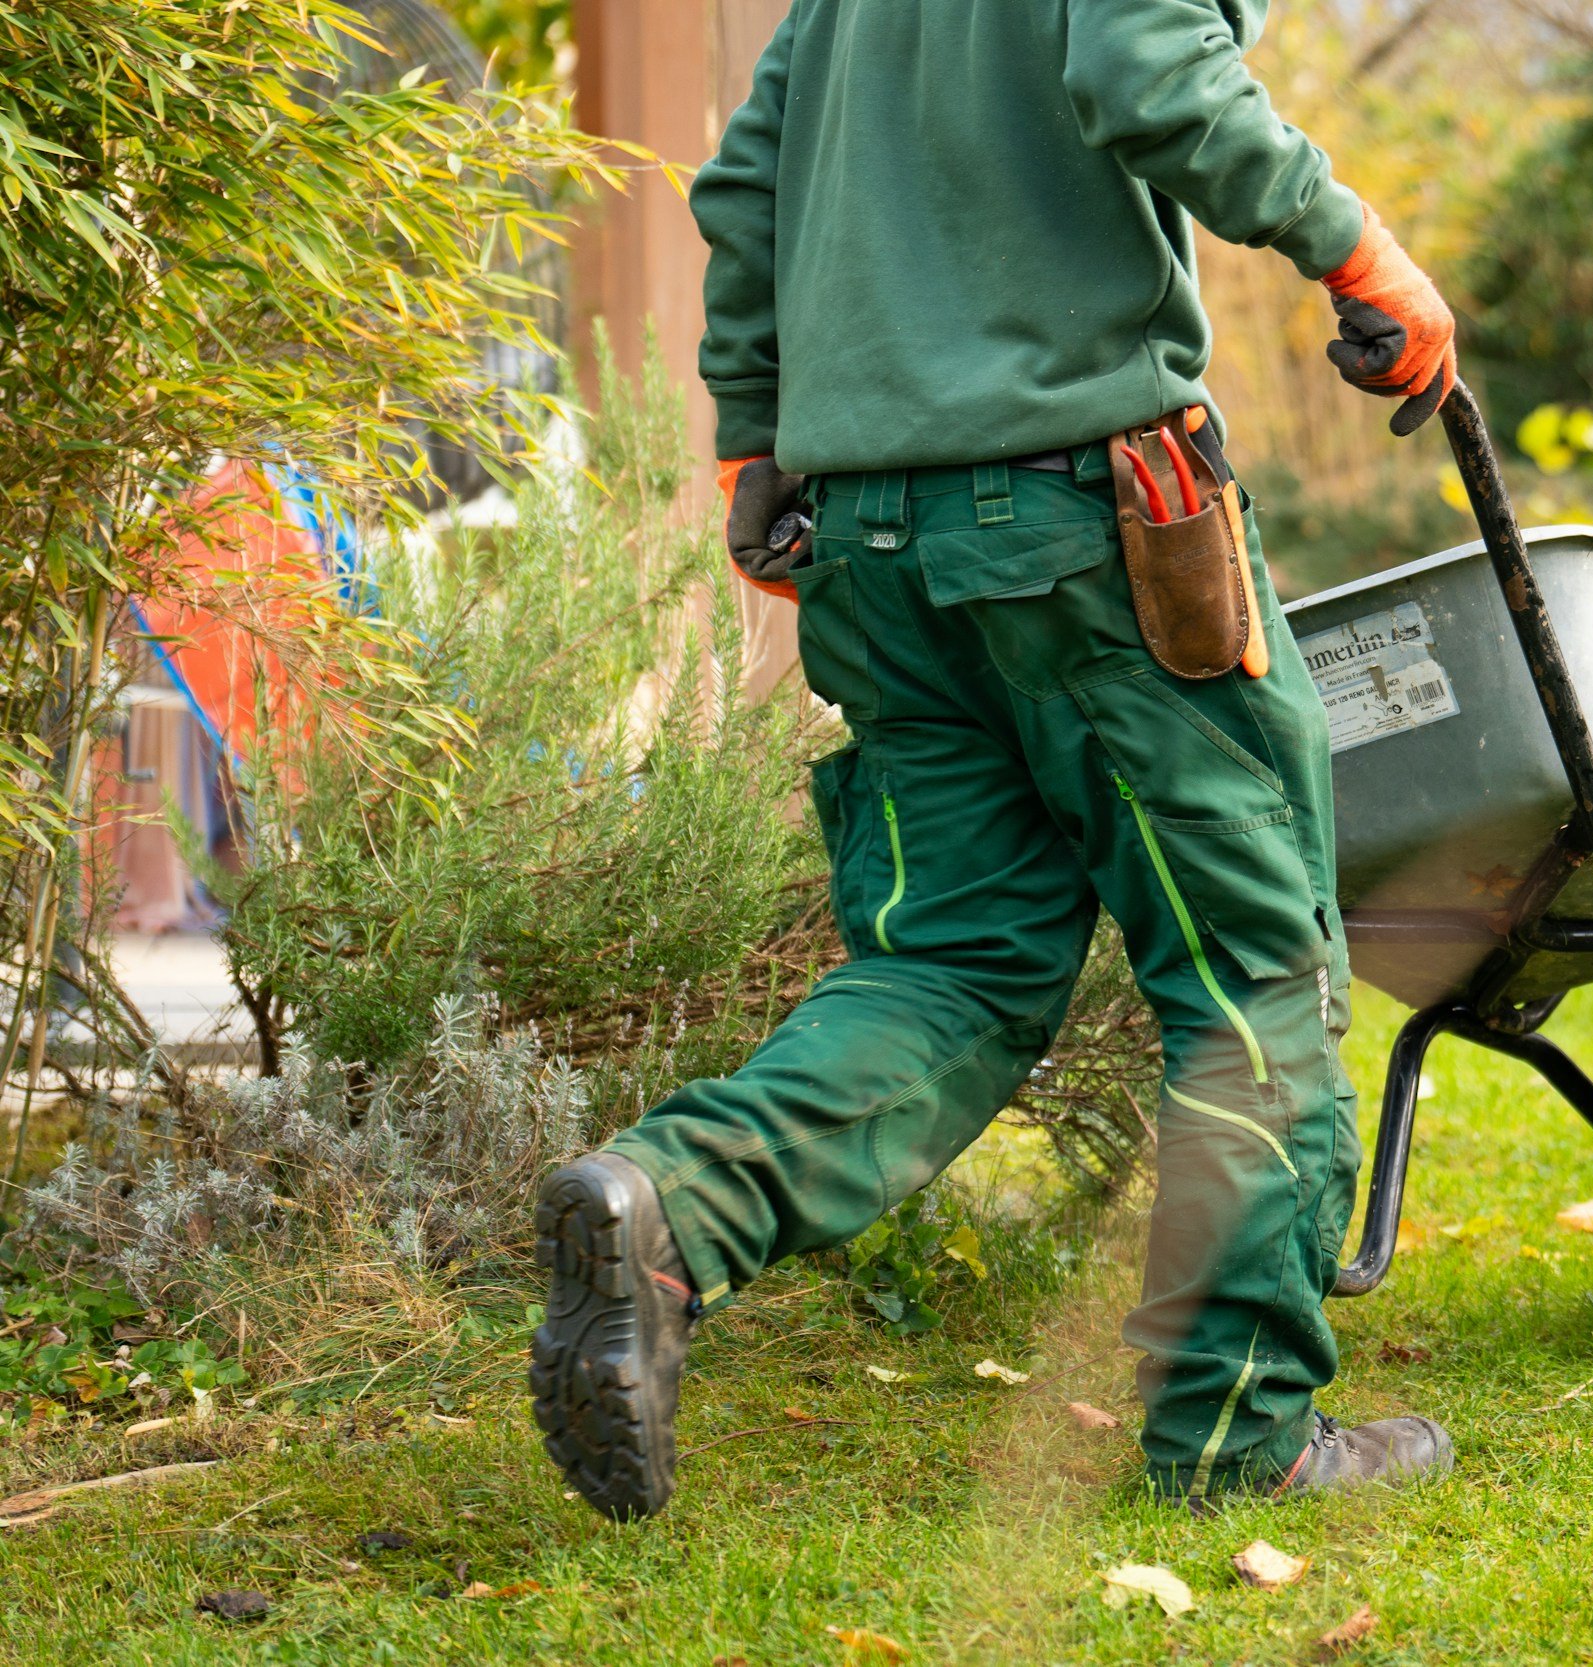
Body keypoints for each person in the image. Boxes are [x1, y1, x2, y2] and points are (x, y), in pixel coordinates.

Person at [527, 0, 1461, 1521]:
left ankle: (670, 1207)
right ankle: (1241, 1431)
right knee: (1251, 976)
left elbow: (749, 184)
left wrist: (757, 442)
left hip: (869, 538)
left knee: (948, 962)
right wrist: (1358, 249)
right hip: (1090, 527)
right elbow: (1148, 70)